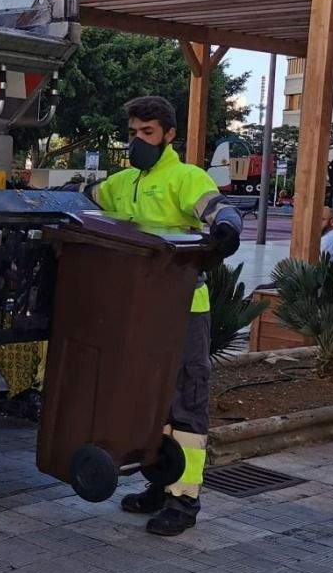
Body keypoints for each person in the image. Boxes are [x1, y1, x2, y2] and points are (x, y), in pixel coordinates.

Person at [86, 96, 242, 537]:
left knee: (186, 402)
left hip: (184, 311)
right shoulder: (123, 182)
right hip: (139, 311)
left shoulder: (185, 178)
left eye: (147, 133)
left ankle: (184, 499)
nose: (138, 141)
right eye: (133, 133)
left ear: (169, 135)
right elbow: (84, 196)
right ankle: (158, 484)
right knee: (149, 402)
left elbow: (219, 210)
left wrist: (226, 231)